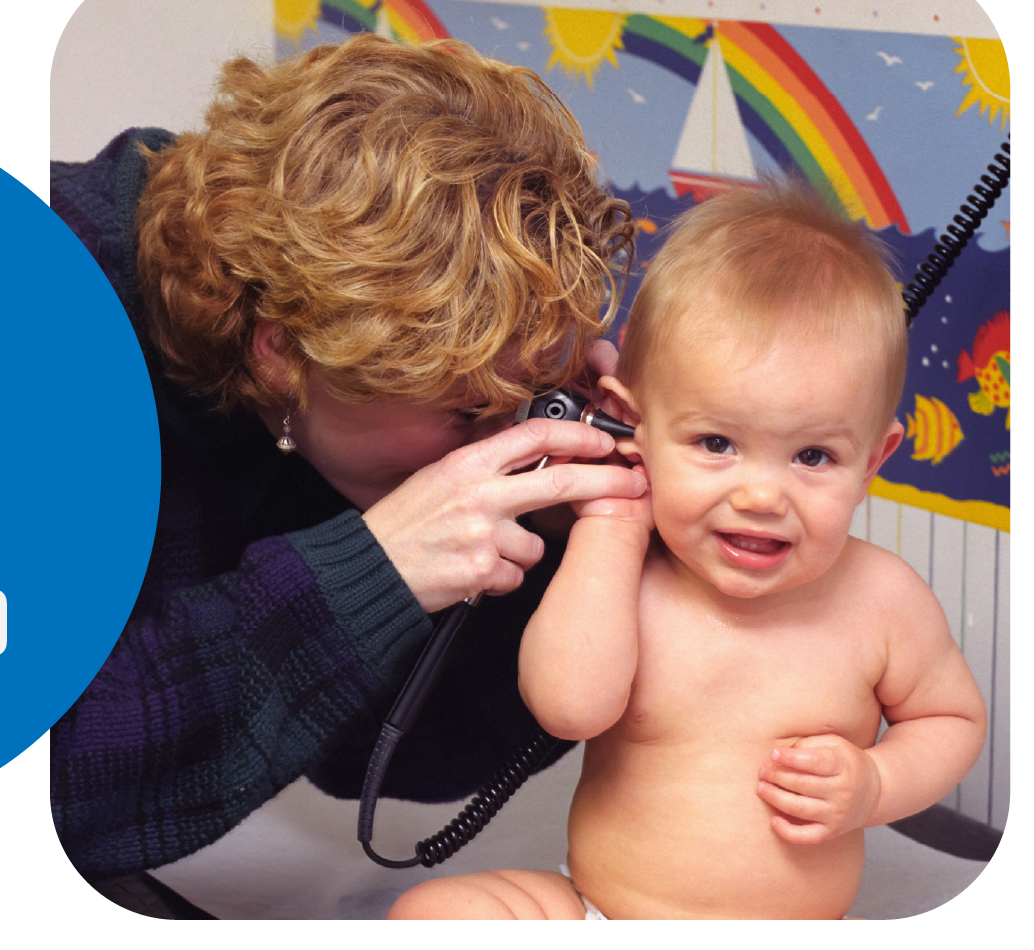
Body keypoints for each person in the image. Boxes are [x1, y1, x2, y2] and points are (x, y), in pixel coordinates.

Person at [48, 34, 647, 915]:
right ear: (281, 352)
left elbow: (390, 753)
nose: (494, 442)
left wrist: (572, 547)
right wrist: (373, 572)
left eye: (523, 395)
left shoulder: (316, 378)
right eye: (468, 411)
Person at [388, 184, 988, 920]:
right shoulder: (626, 571)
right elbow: (569, 708)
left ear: (873, 459)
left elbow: (951, 721)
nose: (763, 496)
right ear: (631, 428)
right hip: (603, 912)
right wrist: (610, 519)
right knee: (436, 914)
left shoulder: (883, 600)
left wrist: (875, 784)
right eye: (715, 443)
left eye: (812, 456)